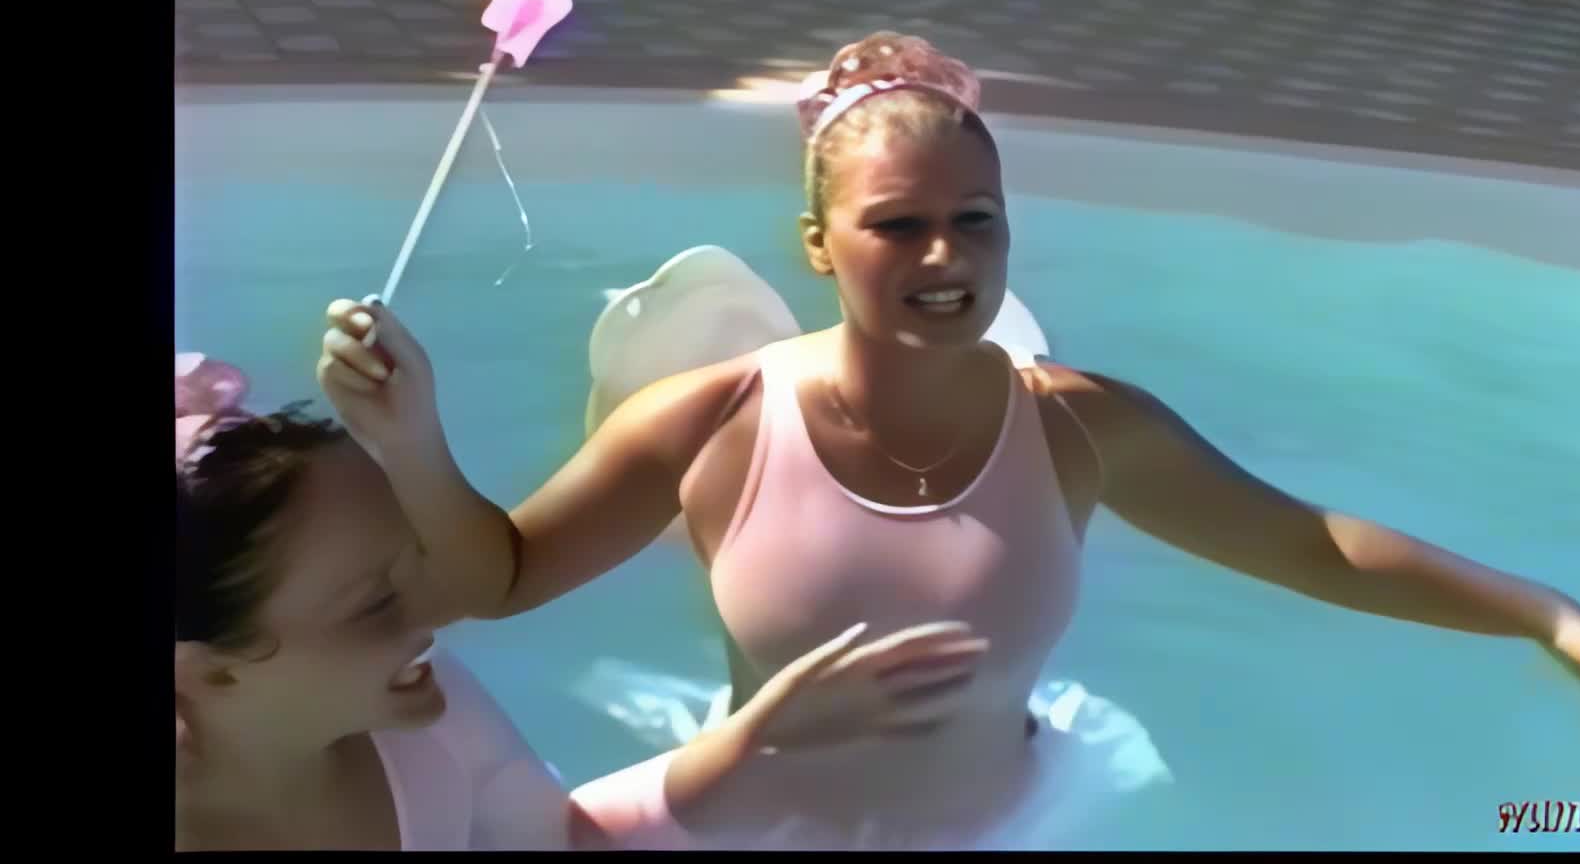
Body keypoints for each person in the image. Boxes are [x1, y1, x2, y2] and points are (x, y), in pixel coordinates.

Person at [314, 32, 1580, 848]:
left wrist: (1557, 619)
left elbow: (1314, 547)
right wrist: (413, 439)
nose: (945, 257)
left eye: (974, 222)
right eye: (898, 225)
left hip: (996, 822)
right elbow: (498, 578)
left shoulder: (1075, 428)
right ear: (817, 244)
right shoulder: (717, 421)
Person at [174, 352, 989, 851]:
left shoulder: (426, 718)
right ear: (209, 671)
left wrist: (758, 744)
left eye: (415, 560)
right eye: (373, 605)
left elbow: (562, 842)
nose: (437, 610)